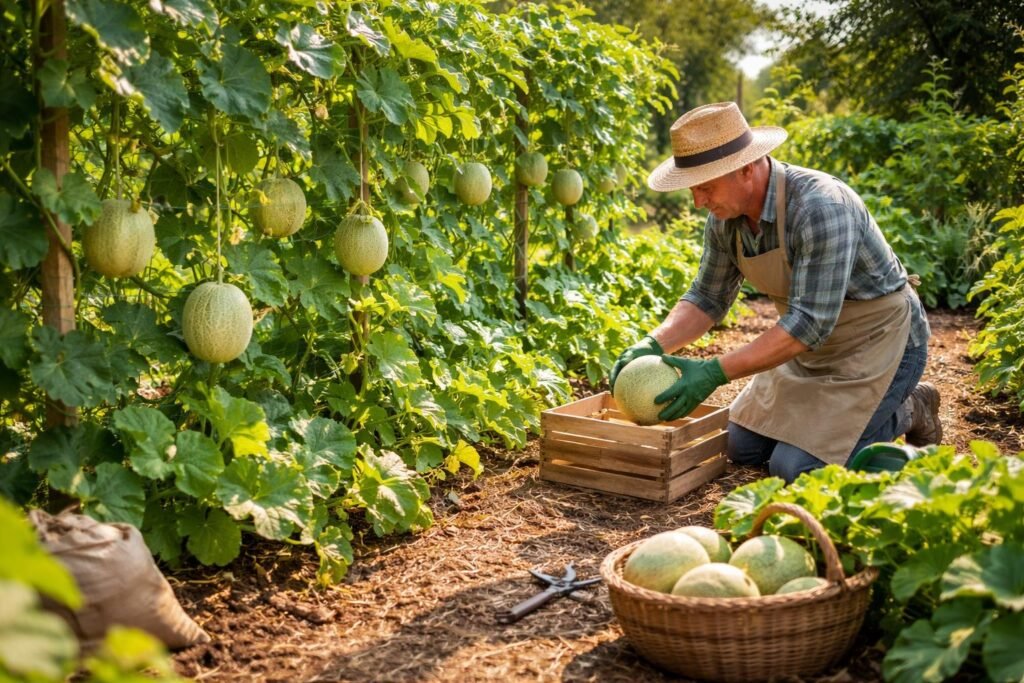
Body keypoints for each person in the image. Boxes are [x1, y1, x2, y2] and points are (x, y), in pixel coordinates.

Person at [609, 101, 942, 483]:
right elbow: (707, 298)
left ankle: (912, 407)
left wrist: (713, 373)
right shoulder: (725, 219)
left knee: (798, 469)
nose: (698, 201)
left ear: (746, 168)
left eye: (705, 187)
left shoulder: (820, 206)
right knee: (738, 446)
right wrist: (654, 344)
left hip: (880, 347)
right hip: (807, 350)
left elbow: (809, 324)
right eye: (692, 190)